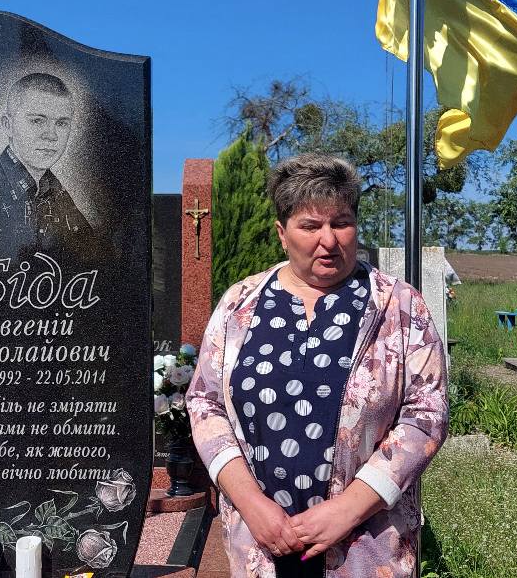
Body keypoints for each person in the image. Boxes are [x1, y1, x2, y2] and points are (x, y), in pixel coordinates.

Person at [186, 154, 448, 578]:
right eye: (310, 226)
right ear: (282, 233)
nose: (329, 240)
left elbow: (426, 415)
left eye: (341, 223)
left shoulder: (399, 306)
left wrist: (347, 510)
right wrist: (251, 503)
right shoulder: (240, 303)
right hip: (261, 541)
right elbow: (204, 402)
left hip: (365, 543)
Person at [0, 72, 92, 256]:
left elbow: (93, 260)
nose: (51, 135)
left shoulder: (57, 193)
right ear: (8, 125)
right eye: (37, 120)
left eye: (61, 123)